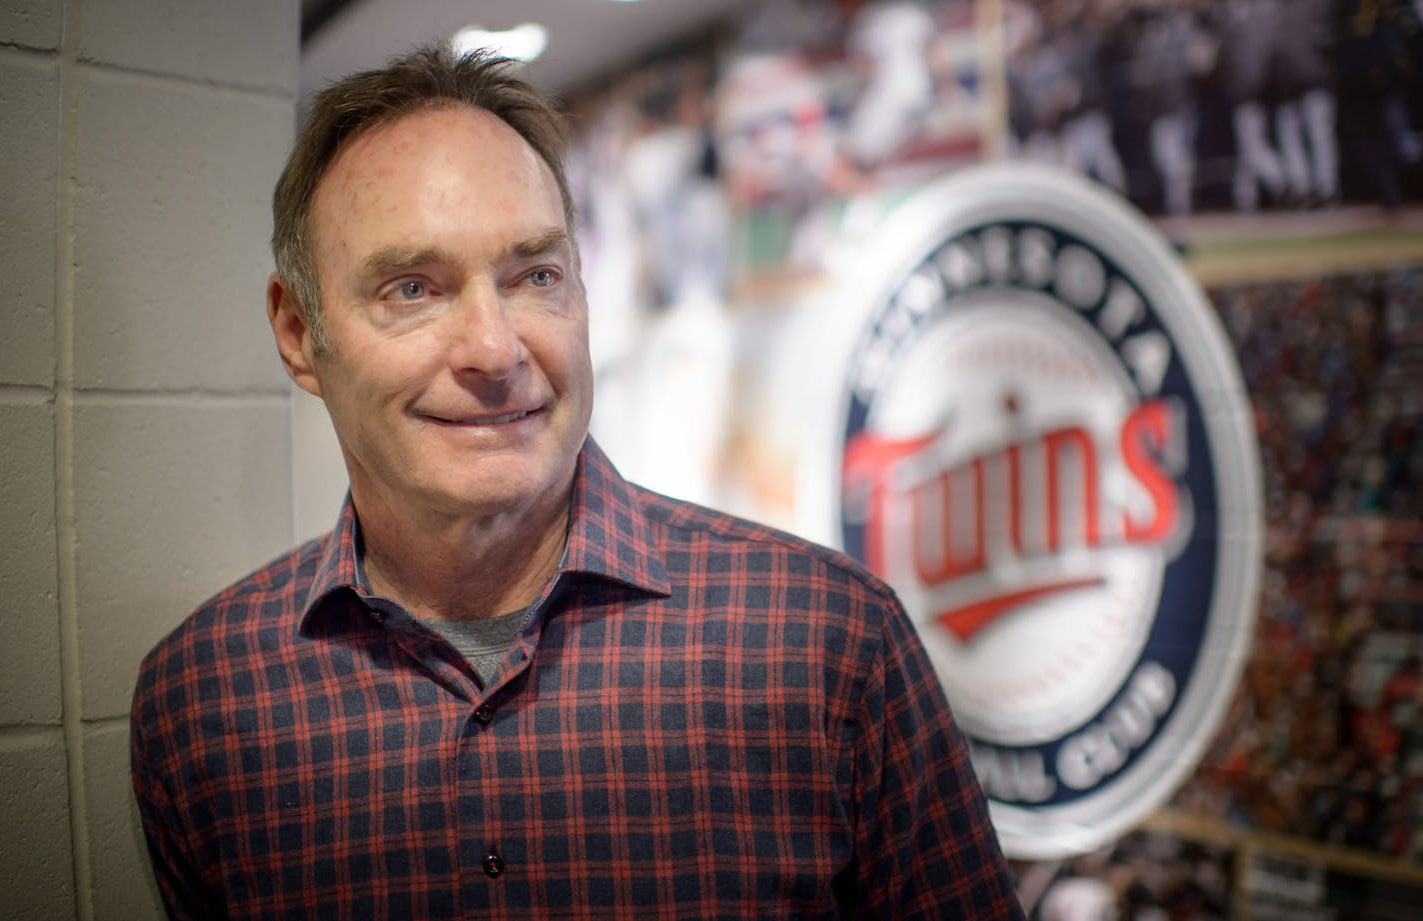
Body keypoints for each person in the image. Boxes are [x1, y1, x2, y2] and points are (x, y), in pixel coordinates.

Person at [128, 45, 1023, 920]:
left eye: (536, 275)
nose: (494, 348)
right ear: (297, 332)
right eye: (412, 289)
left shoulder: (827, 644)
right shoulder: (206, 703)